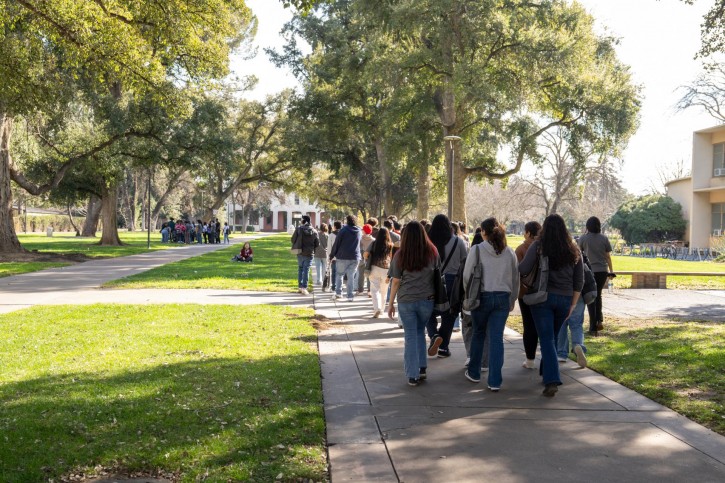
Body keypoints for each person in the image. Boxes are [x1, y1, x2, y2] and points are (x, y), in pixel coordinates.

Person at [519, 214, 583, 397]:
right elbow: (579, 279)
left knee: (546, 339)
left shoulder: (538, 246)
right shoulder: (573, 249)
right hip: (565, 299)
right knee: (551, 338)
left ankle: (552, 380)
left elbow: (523, 269)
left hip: (542, 299)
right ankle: (546, 370)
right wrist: (573, 303)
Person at [462, 218, 518, 392]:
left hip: (481, 297)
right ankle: (495, 380)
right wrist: (512, 300)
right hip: (503, 298)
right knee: (496, 338)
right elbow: (515, 279)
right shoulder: (509, 252)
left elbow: (467, 276)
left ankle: (474, 372)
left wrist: (468, 294)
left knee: (478, 333)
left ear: (483, 232)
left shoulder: (477, 250)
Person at [387, 221, 439, 386]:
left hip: (406, 300)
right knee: (420, 332)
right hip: (427, 300)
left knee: (410, 335)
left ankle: (412, 374)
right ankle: (422, 368)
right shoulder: (432, 252)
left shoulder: (400, 255)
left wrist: (390, 303)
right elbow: (438, 273)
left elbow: (395, 281)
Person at [425, 214, 468, 358]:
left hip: (431, 280)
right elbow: (465, 263)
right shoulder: (458, 242)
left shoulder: (427, 242)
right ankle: (443, 347)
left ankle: (434, 335)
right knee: (449, 315)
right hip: (453, 282)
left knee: (428, 311)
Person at [577, 216, 613, 336]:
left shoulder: (583, 238)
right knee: (598, 295)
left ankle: (593, 326)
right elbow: (607, 256)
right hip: (602, 271)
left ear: (587, 226)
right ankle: (599, 320)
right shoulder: (604, 238)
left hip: (588, 271)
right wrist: (611, 271)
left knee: (590, 297)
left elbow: (578, 254)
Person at [515, 221, 542, 369]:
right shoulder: (545, 247)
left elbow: (517, 271)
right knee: (541, 325)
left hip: (525, 292)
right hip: (542, 292)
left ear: (528, 233)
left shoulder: (521, 249)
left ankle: (530, 360)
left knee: (528, 325)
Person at [329, 215, 362, 302]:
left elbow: (337, 243)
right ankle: (350, 295)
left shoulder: (343, 230)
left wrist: (332, 255)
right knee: (351, 276)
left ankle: (339, 293)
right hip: (355, 256)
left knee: (340, 274)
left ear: (347, 221)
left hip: (343, 256)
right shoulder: (359, 231)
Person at [365, 227, 394, 318]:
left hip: (374, 268)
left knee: (374, 290)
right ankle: (381, 310)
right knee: (384, 291)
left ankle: (376, 308)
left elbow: (366, 254)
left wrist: (367, 258)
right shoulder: (390, 245)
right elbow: (391, 258)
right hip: (386, 270)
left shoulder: (374, 243)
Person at [291, 215, 319, 295]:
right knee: (306, 269)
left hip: (300, 251)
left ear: (304, 221)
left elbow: (293, 240)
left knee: (300, 268)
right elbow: (317, 243)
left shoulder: (299, 229)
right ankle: (304, 287)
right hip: (309, 253)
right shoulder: (314, 231)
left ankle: (300, 286)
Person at [357, 224, 375, 294]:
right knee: (369, 275)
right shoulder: (373, 240)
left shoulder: (360, 239)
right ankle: (369, 290)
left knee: (361, 275)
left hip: (361, 259)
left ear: (364, 231)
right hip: (370, 260)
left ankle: (360, 290)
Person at [328, 221, 342, 293]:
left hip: (334, 257)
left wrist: (329, 257)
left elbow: (329, 247)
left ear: (335, 226)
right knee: (340, 273)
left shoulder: (331, 235)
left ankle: (333, 286)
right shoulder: (343, 234)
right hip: (342, 257)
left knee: (334, 272)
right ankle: (339, 287)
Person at [314, 223, 329, 288]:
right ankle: (323, 279)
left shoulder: (317, 234)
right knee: (324, 267)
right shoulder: (327, 235)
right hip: (325, 253)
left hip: (317, 252)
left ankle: (318, 280)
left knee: (318, 267)